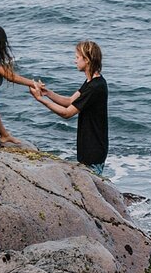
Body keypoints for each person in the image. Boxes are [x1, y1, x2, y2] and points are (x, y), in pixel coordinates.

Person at [30, 40, 107, 176]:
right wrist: (47, 93)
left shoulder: (95, 87)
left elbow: (67, 113)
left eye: (77, 57)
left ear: (87, 60)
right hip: (89, 147)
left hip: (93, 150)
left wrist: (40, 99)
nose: (74, 61)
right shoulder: (91, 82)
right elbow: (70, 101)